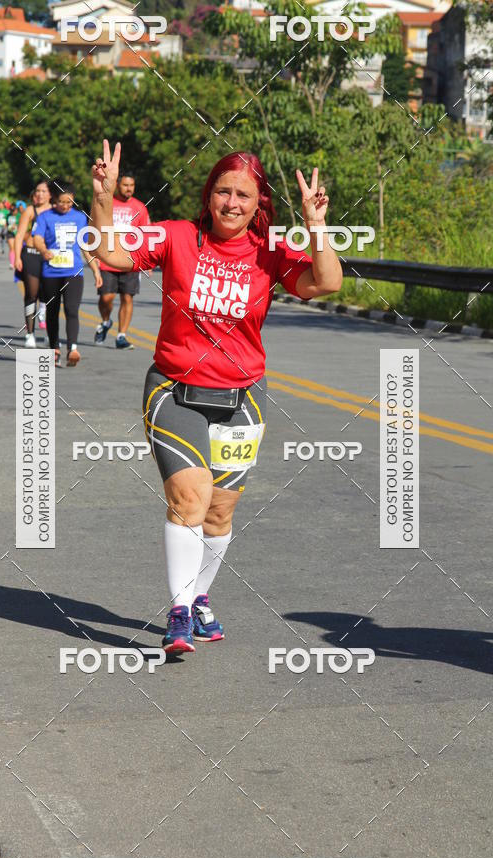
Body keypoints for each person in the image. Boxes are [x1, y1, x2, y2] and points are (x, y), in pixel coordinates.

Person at [90, 141, 342, 654]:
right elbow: (111, 251)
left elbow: (327, 283)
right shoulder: (178, 237)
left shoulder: (270, 251)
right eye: (223, 191)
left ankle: (201, 598)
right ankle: (179, 612)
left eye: (243, 195)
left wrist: (315, 225)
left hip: (243, 396)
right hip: (174, 389)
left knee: (219, 512)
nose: (231, 202)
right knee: (189, 498)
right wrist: (103, 196)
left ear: (258, 204)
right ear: (208, 196)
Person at [32, 181, 102, 367]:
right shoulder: (45, 217)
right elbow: (37, 238)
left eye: (70, 202)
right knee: (53, 311)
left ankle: (73, 348)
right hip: (51, 272)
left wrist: (95, 270)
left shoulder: (80, 218)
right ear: (54, 199)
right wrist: (43, 250)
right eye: (62, 202)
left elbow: (85, 246)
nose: (66, 206)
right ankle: (54, 347)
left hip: (73, 272)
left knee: (72, 310)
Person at [94, 172, 150, 350]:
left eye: (131, 186)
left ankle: (121, 336)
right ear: (117, 185)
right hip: (108, 259)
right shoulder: (107, 203)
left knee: (127, 297)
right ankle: (106, 321)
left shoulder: (140, 207)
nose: (129, 189)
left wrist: (148, 259)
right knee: (106, 297)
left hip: (131, 260)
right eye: (125, 185)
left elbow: (146, 233)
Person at [14, 181, 52, 348]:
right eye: (38, 191)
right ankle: (30, 334)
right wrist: (17, 257)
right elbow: (19, 235)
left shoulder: (56, 210)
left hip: (50, 257)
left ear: (51, 194)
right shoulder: (30, 211)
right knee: (31, 293)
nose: (40, 194)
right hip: (30, 255)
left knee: (50, 295)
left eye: (44, 191)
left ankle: (52, 333)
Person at [6, 203, 20, 268]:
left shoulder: (20, 215)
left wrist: (16, 226)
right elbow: (6, 224)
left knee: (17, 248)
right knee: (12, 248)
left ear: (17, 210)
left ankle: (17, 261)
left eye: (14, 210)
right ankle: (12, 263)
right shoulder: (8, 215)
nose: (13, 212)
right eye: (11, 210)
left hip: (18, 233)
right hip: (10, 233)